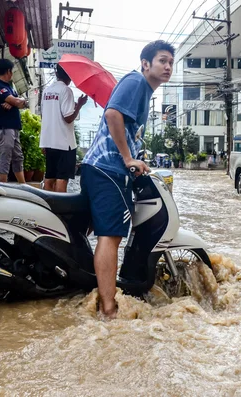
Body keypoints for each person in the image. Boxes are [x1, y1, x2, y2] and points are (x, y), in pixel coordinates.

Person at [81, 40, 175, 318]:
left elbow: (128, 129)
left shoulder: (144, 92)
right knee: (111, 237)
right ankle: (109, 309)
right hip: (109, 169)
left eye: (170, 62)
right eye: (162, 60)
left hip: (102, 168)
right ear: (146, 63)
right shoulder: (136, 82)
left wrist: (136, 159)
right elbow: (112, 114)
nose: (167, 66)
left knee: (97, 231)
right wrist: (127, 159)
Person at [39, 64, 87, 192]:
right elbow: (68, 118)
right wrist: (79, 106)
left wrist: (43, 141)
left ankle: (48, 206)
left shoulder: (46, 91)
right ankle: (59, 210)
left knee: (49, 177)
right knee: (62, 178)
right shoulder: (66, 90)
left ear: (56, 74)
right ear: (70, 75)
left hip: (49, 141)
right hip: (64, 143)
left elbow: (45, 116)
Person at [0, 58, 28, 183]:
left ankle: (23, 186)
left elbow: (21, 103)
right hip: (5, 128)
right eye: (11, 71)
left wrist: (14, 102)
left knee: (18, 156)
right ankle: (3, 186)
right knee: (6, 156)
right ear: (8, 71)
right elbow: (18, 102)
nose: (12, 74)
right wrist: (16, 102)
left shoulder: (9, 87)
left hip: (13, 127)